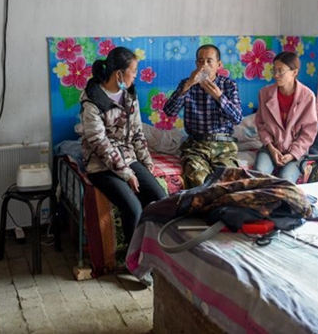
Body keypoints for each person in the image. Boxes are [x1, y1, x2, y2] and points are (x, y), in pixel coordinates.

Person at [80, 46, 166, 248]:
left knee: (160, 197)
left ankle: (155, 251)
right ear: (119, 74)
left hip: (127, 157)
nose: (135, 76)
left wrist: (147, 163)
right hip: (100, 165)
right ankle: (133, 261)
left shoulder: (130, 96)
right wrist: (127, 174)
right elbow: (100, 144)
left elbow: (137, 132)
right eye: (133, 72)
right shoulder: (92, 100)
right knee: (133, 208)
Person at [163, 44, 243, 187]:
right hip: (196, 146)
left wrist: (219, 97)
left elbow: (237, 118)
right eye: (200, 61)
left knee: (227, 182)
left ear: (219, 64)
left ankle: (222, 208)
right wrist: (187, 86)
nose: (203, 66)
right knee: (198, 181)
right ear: (195, 64)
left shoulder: (229, 85)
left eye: (209, 61)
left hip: (224, 146)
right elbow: (169, 111)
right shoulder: (187, 84)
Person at [254, 51, 318, 183]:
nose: (276, 75)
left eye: (280, 71)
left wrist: (292, 154)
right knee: (259, 174)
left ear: (294, 72)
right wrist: (271, 148)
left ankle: (283, 204)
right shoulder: (264, 93)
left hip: (296, 152)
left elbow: (308, 133)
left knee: (285, 179)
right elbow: (261, 125)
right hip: (271, 147)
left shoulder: (308, 97)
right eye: (274, 70)